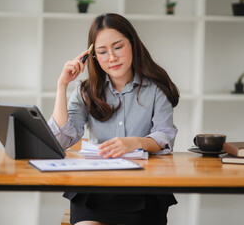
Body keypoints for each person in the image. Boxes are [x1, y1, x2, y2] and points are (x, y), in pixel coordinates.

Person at [48, 13, 180, 225]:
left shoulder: (156, 89)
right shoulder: (85, 91)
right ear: (93, 56)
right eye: (102, 51)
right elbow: (61, 139)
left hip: (143, 190)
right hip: (94, 191)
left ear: (133, 45)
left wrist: (136, 142)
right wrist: (61, 85)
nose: (112, 57)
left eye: (118, 47)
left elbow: (164, 136)